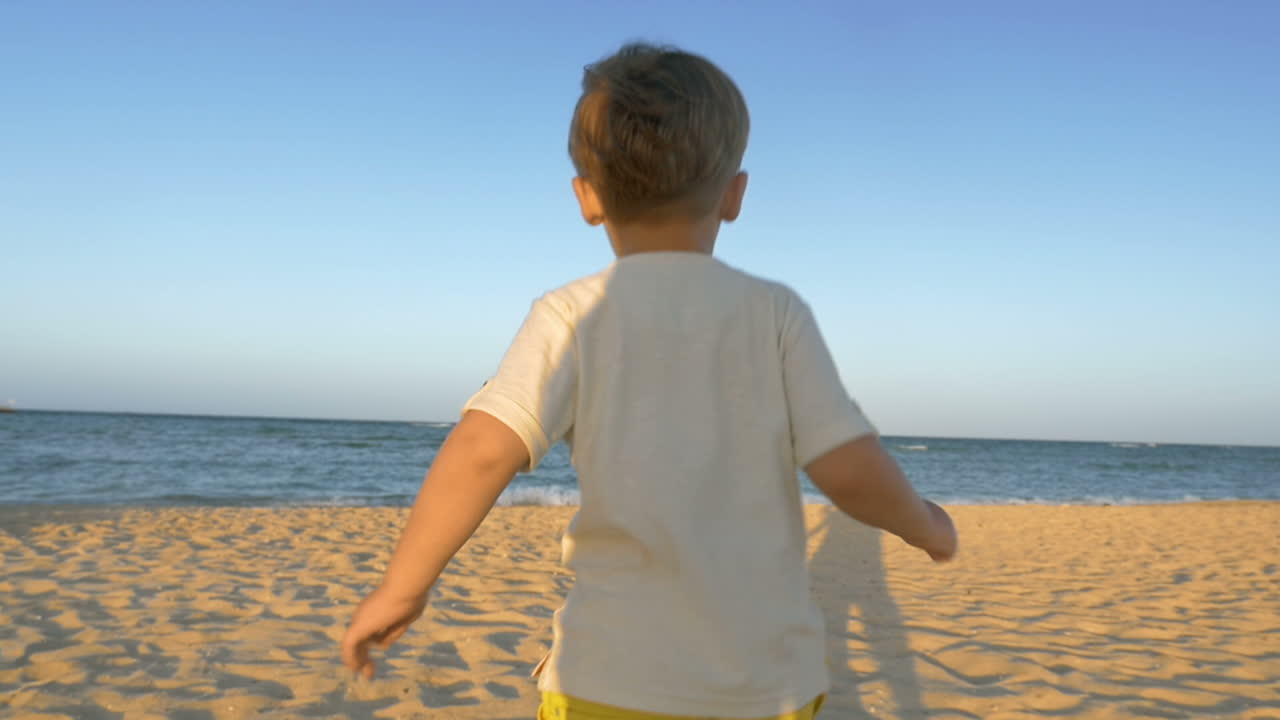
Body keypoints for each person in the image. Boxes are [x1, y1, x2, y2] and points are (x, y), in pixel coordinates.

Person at [341, 42, 958, 719]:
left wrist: (404, 586)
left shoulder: (571, 315)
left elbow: (483, 449)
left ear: (587, 198)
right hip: (762, 688)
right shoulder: (776, 315)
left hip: (607, 680)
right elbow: (848, 464)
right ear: (734, 195)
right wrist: (923, 524)